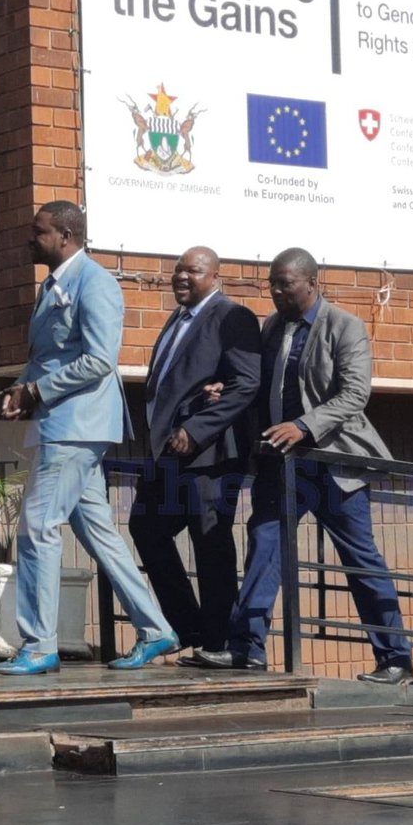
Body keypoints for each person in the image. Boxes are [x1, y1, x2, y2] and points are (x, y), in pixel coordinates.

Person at [193, 248, 413, 684]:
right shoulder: (271, 327)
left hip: (334, 466)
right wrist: (228, 390)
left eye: (286, 283)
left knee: (360, 559)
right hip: (283, 465)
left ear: (312, 283)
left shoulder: (345, 326)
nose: (276, 292)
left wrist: (303, 426)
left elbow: (354, 395)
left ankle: (395, 659)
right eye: (272, 284)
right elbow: (263, 386)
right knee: (264, 546)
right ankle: (247, 649)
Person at [0, 200, 178, 675]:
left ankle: (39, 645)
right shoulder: (52, 284)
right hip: (62, 423)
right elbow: (49, 357)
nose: (30, 239)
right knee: (98, 532)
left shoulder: (95, 283)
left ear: (66, 236)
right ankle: (156, 629)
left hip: (77, 427)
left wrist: (38, 391)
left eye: (39, 232)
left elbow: (99, 359)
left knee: (37, 526)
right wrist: (22, 390)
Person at [127, 246, 260, 659]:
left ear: (215, 276)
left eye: (194, 271)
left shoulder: (232, 316)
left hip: (210, 454)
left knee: (210, 542)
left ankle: (219, 643)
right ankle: (188, 626)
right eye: (178, 270)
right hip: (168, 452)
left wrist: (196, 429)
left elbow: (245, 382)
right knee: (145, 527)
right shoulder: (179, 317)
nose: (182, 277)